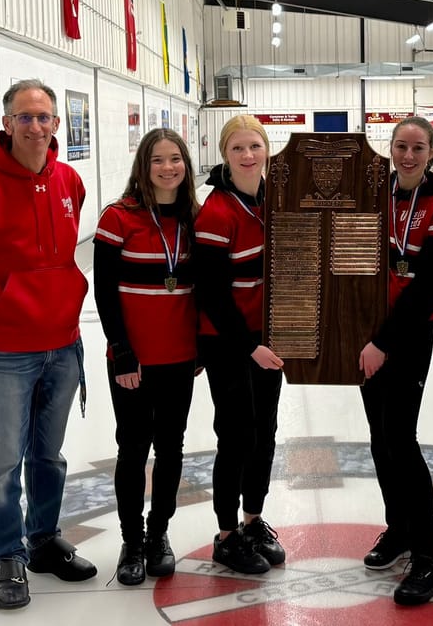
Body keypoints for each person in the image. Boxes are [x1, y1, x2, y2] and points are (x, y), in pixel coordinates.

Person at [0, 79, 96, 610]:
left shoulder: (69, 180)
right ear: (6, 123)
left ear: (58, 124)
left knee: (48, 456)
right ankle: (8, 555)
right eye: (25, 117)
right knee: (4, 461)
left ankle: (44, 539)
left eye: (45, 117)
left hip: (63, 344)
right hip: (6, 353)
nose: (36, 126)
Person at [358, 117, 433, 605]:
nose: (408, 155)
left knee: (401, 439)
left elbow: (429, 286)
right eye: (401, 146)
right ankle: (398, 529)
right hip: (367, 338)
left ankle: (430, 559)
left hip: (409, 336)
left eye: (418, 147)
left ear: (432, 153)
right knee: (380, 438)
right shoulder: (375, 196)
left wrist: (384, 342)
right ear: (389, 150)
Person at [93, 128, 200, 586]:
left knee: (172, 447)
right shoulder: (119, 217)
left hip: (180, 358)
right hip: (133, 359)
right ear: (143, 166)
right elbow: (104, 291)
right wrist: (121, 351)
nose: (168, 167)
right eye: (158, 159)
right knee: (133, 449)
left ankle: (159, 535)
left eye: (175, 159)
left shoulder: (196, 218)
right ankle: (131, 541)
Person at [193, 115, 286, 575]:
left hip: (269, 339)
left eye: (255, 147)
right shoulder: (217, 211)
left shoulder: (275, 199)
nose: (248, 156)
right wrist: (250, 346)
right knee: (236, 436)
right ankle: (227, 535)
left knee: (264, 433)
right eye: (238, 149)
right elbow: (211, 294)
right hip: (229, 343)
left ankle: (253, 520)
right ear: (225, 155)